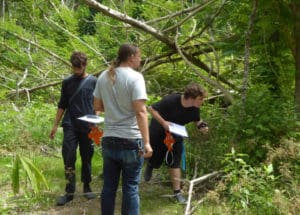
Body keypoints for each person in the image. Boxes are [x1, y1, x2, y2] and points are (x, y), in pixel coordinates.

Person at [93, 43, 153, 215]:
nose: (140, 60)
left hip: (109, 138)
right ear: (131, 56)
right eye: (139, 56)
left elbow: (97, 105)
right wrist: (147, 143)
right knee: (130, 188)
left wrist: (114, 108)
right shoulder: (135, 78)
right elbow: (141, 111)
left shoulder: (103, 76)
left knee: (109, 186)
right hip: (131, 139)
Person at [144, 83, 209, 204]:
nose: (202, 101)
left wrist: (202, 126)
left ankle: (177, 193)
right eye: (200, 99)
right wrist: (163, 122)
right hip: (158, 130)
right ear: (191, 98)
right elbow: (151, 109)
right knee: (155, 156)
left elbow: (197, 120)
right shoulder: (171, 100)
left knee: (175, 163)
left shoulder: (195, 108)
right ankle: (151, 165)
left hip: (176, 134)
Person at [50, 51, 97, 206]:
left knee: (87, 156)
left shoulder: (93, 81)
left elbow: (98, 104)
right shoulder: (67, 82)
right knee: (68, 156)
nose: (77, 70)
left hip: (88, 125)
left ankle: (87, 186)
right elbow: (62, 104)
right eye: (74, 68)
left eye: (79, 67)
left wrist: (96, 120)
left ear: (85, 65)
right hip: (70, 124)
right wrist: (55, 125)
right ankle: (69, 191)